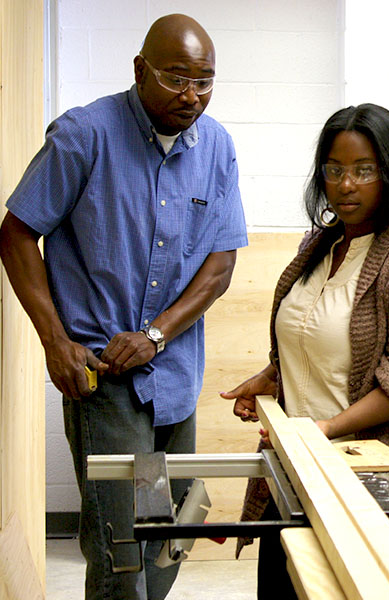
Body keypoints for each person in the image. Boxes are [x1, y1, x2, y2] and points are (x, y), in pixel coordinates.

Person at [0, 15, 247, 600]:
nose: (192, 95)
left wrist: (156, 335)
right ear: (140, 70)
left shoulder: (216, 147)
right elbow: (16, 233)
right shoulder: (84, 135)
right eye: (176, 78)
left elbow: (220, 266)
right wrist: (55, 342)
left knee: (172, 534)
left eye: (205, 81)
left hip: (175, 373)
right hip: (104, 380)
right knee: (122, 549)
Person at [221, 103, 389, 597]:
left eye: (364, 170)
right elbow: (314, 339)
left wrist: (324, 429)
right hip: (297, 471)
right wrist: (272, 376)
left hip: (366, 484)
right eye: (334, 169)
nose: (346, 185)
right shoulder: (317, 248)